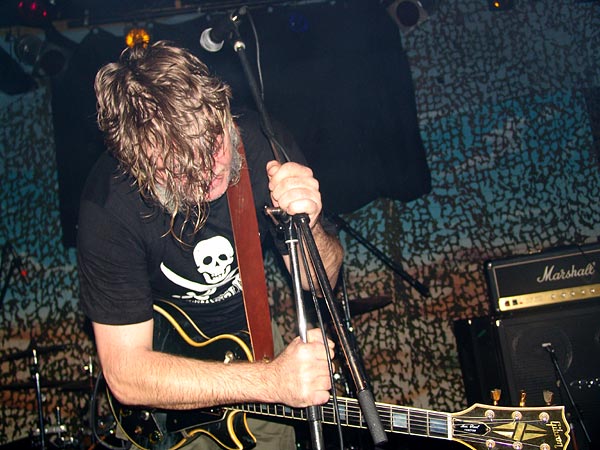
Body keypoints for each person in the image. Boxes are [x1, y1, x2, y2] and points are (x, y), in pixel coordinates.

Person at [77, 40, 344, 449]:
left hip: (256, 348)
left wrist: (311, 224)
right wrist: (270, 382)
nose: (209, 171)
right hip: (166, 379)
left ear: (220, 107)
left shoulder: (262, 144)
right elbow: (126, 374)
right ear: (140, 164)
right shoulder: (109, 205)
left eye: (213, 143)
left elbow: (318, 280)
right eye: (182, 168)